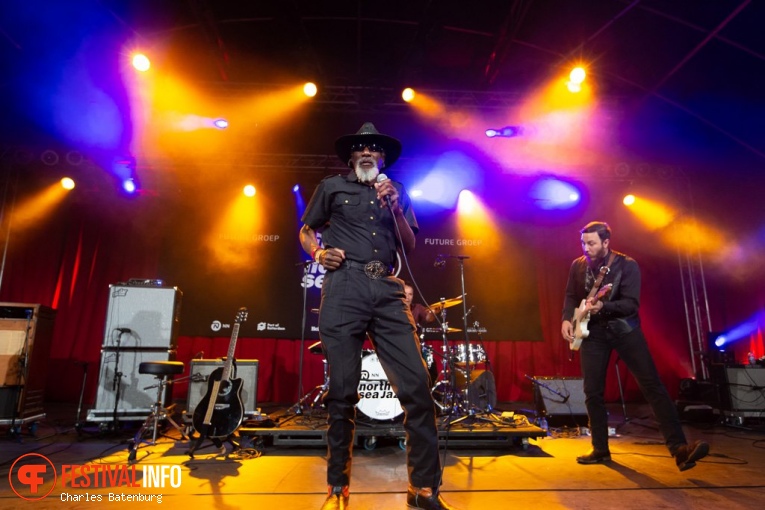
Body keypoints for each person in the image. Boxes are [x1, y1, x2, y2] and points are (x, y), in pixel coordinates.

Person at [300, 122, 458, 510]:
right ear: (351, 157)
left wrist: (393, 206)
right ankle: (338, 485)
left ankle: (423, 489)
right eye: (360, 148)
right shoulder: (332, 187)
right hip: (344, 287)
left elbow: (409, 242)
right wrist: (318, 254)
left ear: (383, 159)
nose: (367, 152)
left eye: (374, 149)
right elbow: (306, 230)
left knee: (418, 387)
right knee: (342, 393)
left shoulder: (397, 192)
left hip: (387, 288)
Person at [561, 221, 709, 471]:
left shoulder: (627, 265)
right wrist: (566, 318)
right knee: (592, 392)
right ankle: (600, 449)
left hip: (624, 331)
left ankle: (679, 450)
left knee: (652, 386)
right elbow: (571, 295)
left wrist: (603, 306)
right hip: (592, 333)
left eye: (592, 243)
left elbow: (631, 304)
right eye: (583, 243)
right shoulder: (578, 265)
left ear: (606, 243)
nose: (586, 248)